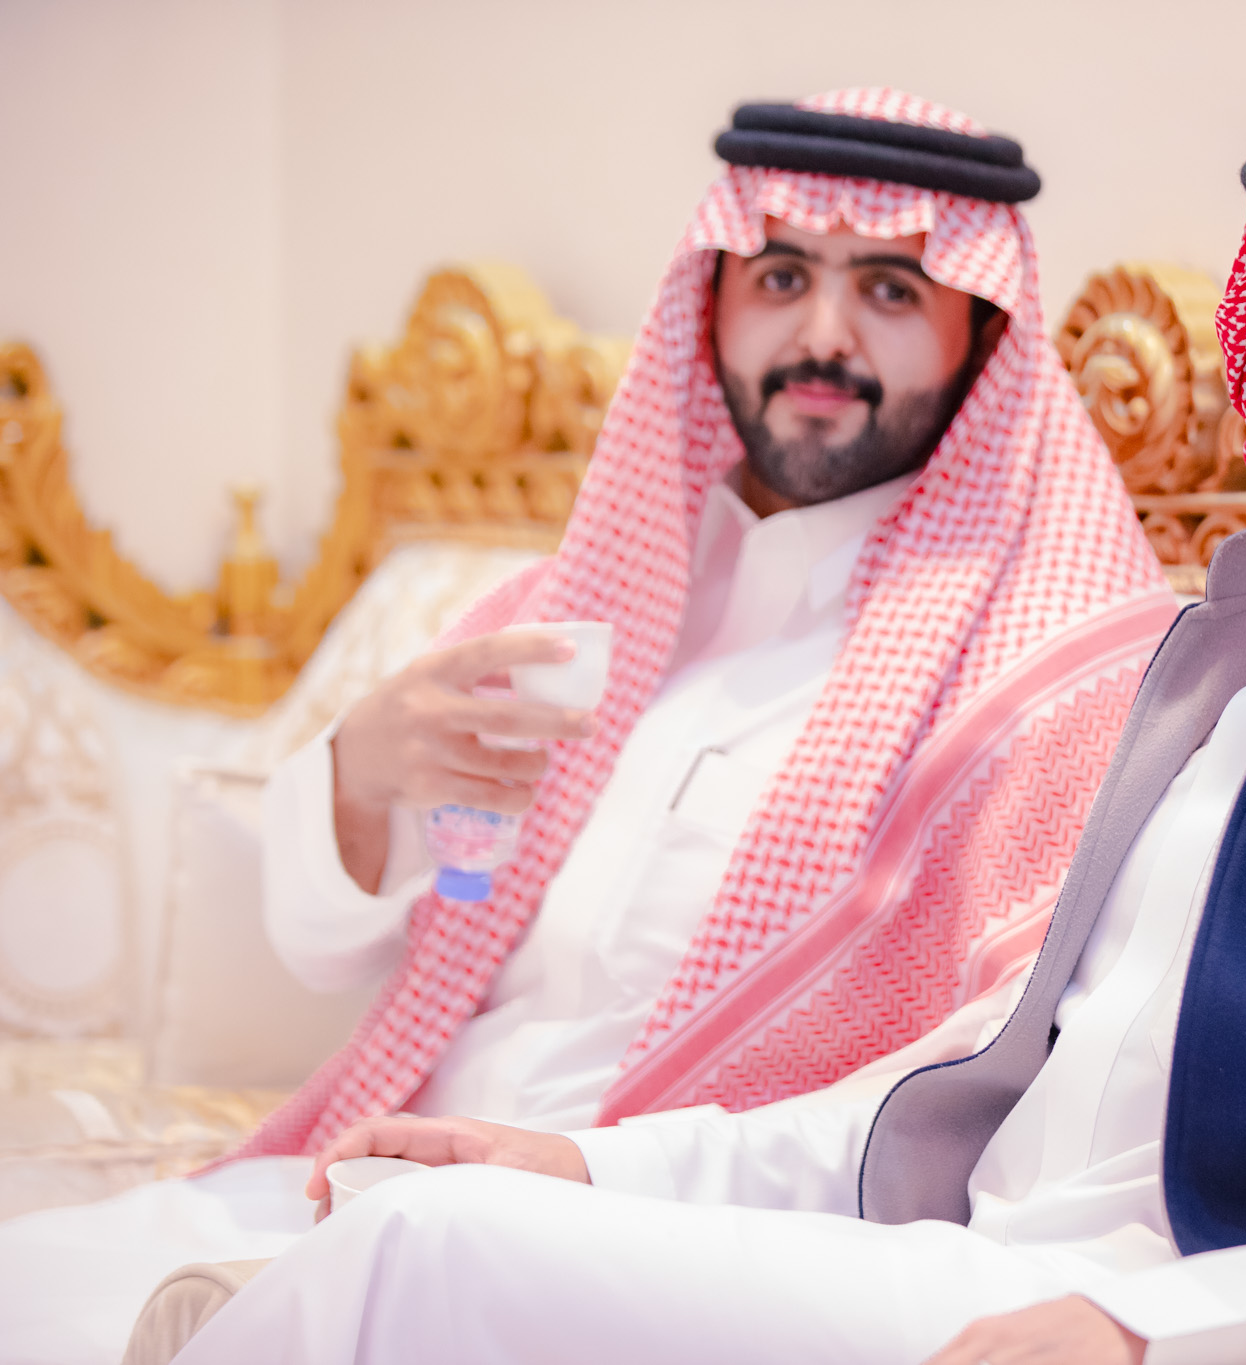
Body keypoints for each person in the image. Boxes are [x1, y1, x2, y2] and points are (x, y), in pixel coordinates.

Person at [168, 69, 1246, 1365]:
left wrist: (1154, 1331)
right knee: (418, 1232)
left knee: (412, 1262)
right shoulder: (1237, 667)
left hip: (1210, 1330)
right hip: (971, 1279)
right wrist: (593, 1171)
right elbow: (966, 1095)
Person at [0, 88, 1174, 1364]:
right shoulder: (580, 613)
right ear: (710, 299)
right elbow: (320, 948)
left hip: (646, 1244)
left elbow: (979, 1084)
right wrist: (359, 775)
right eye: (781, 276)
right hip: (359, 1183)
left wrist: (575, 1175)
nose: (822, 336)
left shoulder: (1037, 688)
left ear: (982, 332)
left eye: (890, 289)